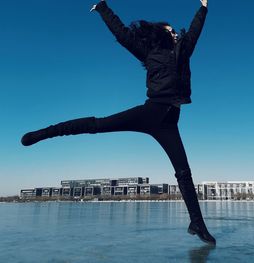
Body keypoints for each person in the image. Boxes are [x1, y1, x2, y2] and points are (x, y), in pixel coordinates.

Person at [21, 0, 216, 245]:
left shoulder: (183, 50)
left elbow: (195, 31)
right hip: (151, 112)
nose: (175, 33)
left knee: (183, 173)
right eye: (170, 31)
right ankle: (43, 133)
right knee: (99, 125)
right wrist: (103, 8)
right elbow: (122, 34)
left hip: (169, 122)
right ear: (160, 35)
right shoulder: (150, 51)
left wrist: (203, 8)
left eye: (175, 31)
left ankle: (197, 223)